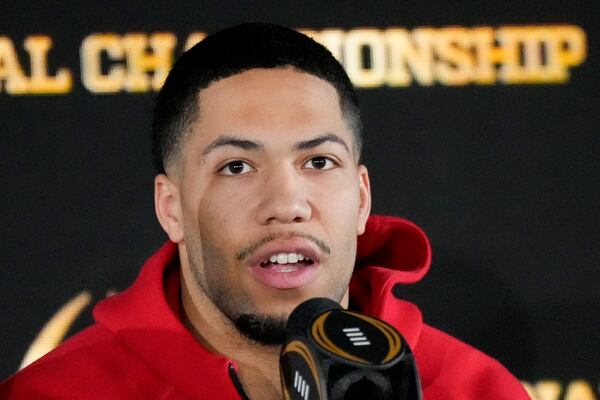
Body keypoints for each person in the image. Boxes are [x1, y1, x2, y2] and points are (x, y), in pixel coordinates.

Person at [0, 23, 530, 399]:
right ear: (172, 207)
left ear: (363, 197)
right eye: (236, 167)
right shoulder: (54, 394)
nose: (287, 205)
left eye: (319, 161)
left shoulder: (474, 390)